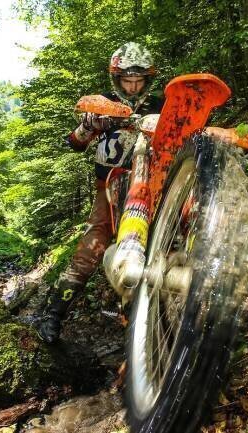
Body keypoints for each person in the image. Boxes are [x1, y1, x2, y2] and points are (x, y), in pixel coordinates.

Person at [37, 42, 164, 343]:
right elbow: (75, 143)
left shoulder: (160, 103)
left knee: (157, 245)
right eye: (127, 80)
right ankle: (53, 314)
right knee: (91, 247)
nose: (133, 87)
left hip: (151, 184)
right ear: (116, 79)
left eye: (139, 80)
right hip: (107, 188)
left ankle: (148, 325)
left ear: (147, 79)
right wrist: (88, 125)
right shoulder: (104, 103)